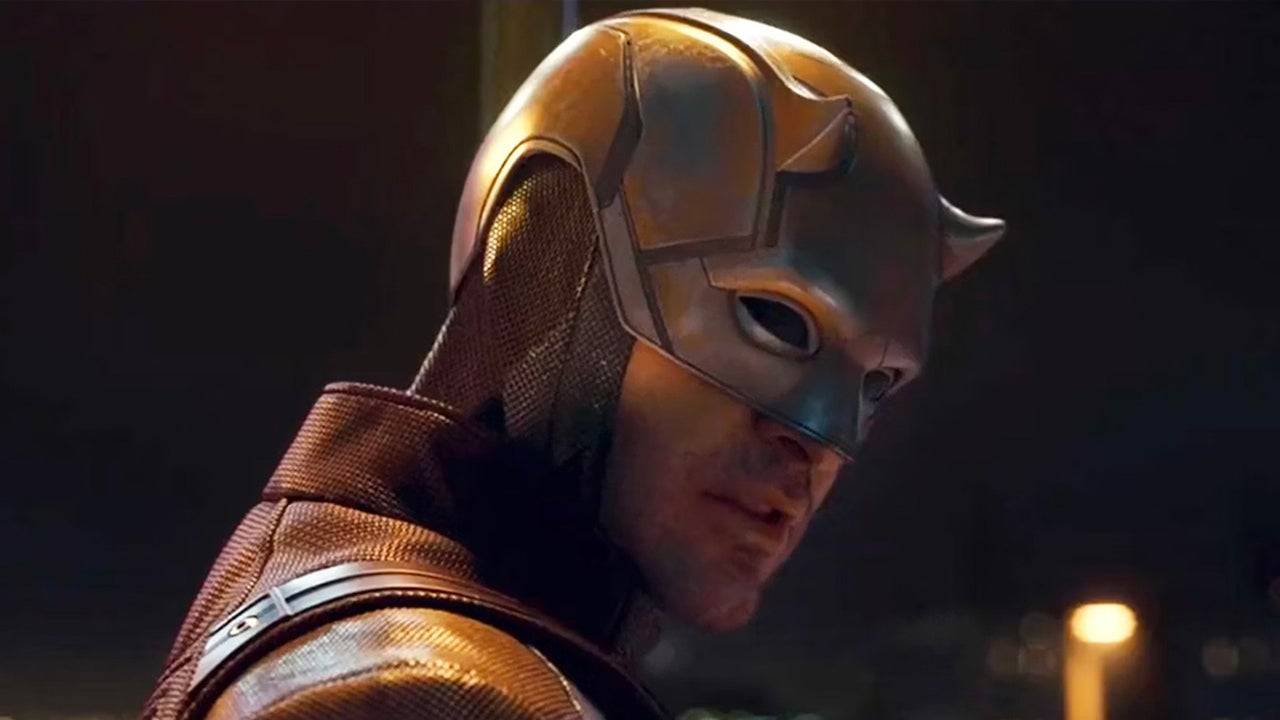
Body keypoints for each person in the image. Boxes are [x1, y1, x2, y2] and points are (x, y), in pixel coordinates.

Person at [142, 8, 1004, 720]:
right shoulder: (426, 692)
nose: (817, 444)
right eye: (777, 319)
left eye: (877, 385)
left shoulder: (426, 639)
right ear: (557, 264)